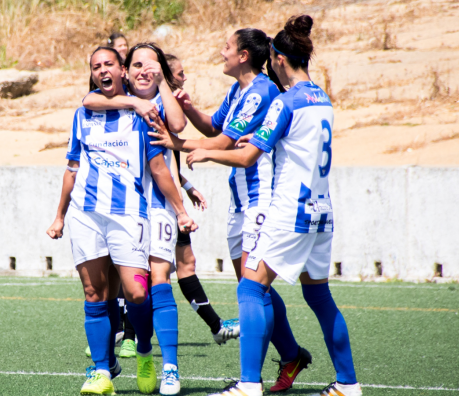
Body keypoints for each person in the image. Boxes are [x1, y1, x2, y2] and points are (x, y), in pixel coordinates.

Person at [184, 15, 363, 396]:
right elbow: (294, 141)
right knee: (318, 296)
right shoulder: (321, 98)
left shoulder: (284, 101)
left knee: (250, 289)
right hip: (322, 213)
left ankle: (248, 384)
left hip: (288, 213)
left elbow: (248, 157)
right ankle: (348, 384)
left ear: (279, 59)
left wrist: (206, 155)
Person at [150, 29, 312, 393]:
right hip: (241, 202)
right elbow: (215, 128)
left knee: (252, 290)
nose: (220, 52)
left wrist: (173, 141)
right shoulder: (238, 91)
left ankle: (250, 381)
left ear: (242, 55)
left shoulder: (261, 91)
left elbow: (220, 143)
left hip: (262, 200)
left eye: (226, 47)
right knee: (253, 288)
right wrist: (189, 108)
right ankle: (290, 355)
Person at [46, 46, 197, 396]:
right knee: (94, 293)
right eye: (96, 66)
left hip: (130, 212)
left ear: (123, 70)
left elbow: (159, 168)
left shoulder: (144, 115)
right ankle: (102, 371)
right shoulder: (83, 113)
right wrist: (60, 216)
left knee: (137, 292)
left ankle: (144, 348)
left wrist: (180, 209)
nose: (102, 71)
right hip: (86, 213)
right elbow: (72, 167)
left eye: (108, 64)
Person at [83, 42, 186, 396]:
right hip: (125, 205)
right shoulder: (119, 102)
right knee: (121, 290)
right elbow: (89, 100)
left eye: (151, 65)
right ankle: (115, 358)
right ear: (127, 70)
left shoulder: (159, 101)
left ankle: (169, 366)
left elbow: (176, 131)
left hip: (158, 203)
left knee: (156, 280)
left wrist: (162, 86)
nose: (144, 70)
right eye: (137, 64)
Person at [166, 52, 241, 345]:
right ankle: (128, 335)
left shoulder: (172, 110)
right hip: (159, 201)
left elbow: (165, 162)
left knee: (184, 265)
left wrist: (186, 186)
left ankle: (215, 326)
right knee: (151, 272)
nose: (185, 78)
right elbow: (156, 162)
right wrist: (179, 199)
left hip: (172, 196)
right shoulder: (157, 110)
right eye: (181, 73)